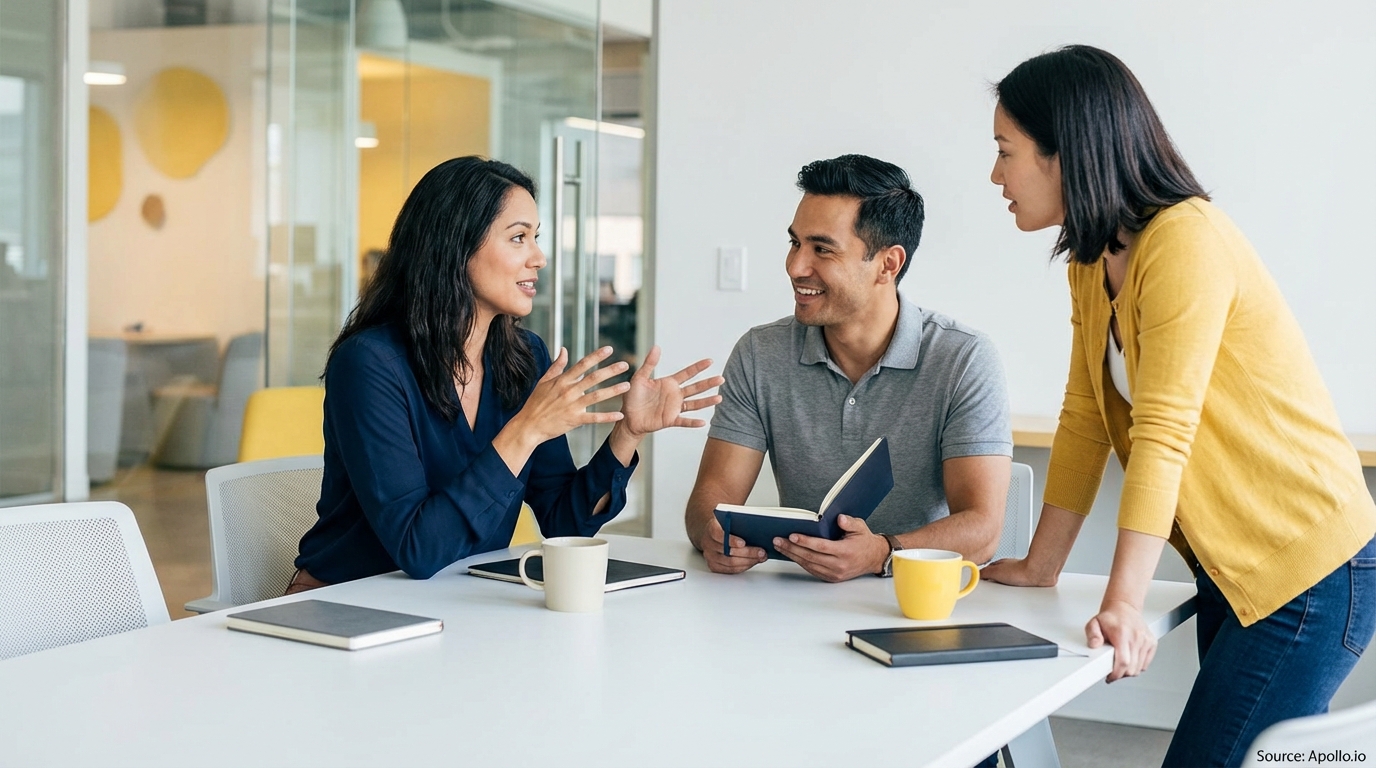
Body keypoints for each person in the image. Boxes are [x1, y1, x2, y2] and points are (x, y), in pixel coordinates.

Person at [981, 45, 1376, 767]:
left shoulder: (1183, 242)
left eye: (1006, 152)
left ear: (1065, 151)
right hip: (1232, 564)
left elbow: (1164, 432)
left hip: (1309, 568)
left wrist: (1125, 605)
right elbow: (1084, 415)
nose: (995, 175)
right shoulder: (1092, 258)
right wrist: (1042, 565)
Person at [289, 156, 722, 591]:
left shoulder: (525, 357)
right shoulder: (370, 364)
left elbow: (562, 522)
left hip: (458, 604)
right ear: (455, 245)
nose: (539, 257)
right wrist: (526, 429)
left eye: (536, 237)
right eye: (518, 238)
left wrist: (627, 433)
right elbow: (417, 550)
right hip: (348, 606)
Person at [684, 154, 1013, 582]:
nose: (795, 267)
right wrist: (713, 534)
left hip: (910, 602)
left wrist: (882, 553)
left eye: (822, 249)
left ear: (888, 264)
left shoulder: (964, 358)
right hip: (789, 601)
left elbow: (982, 528)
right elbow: (709, 502)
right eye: (794, 243)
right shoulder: (759, 353)